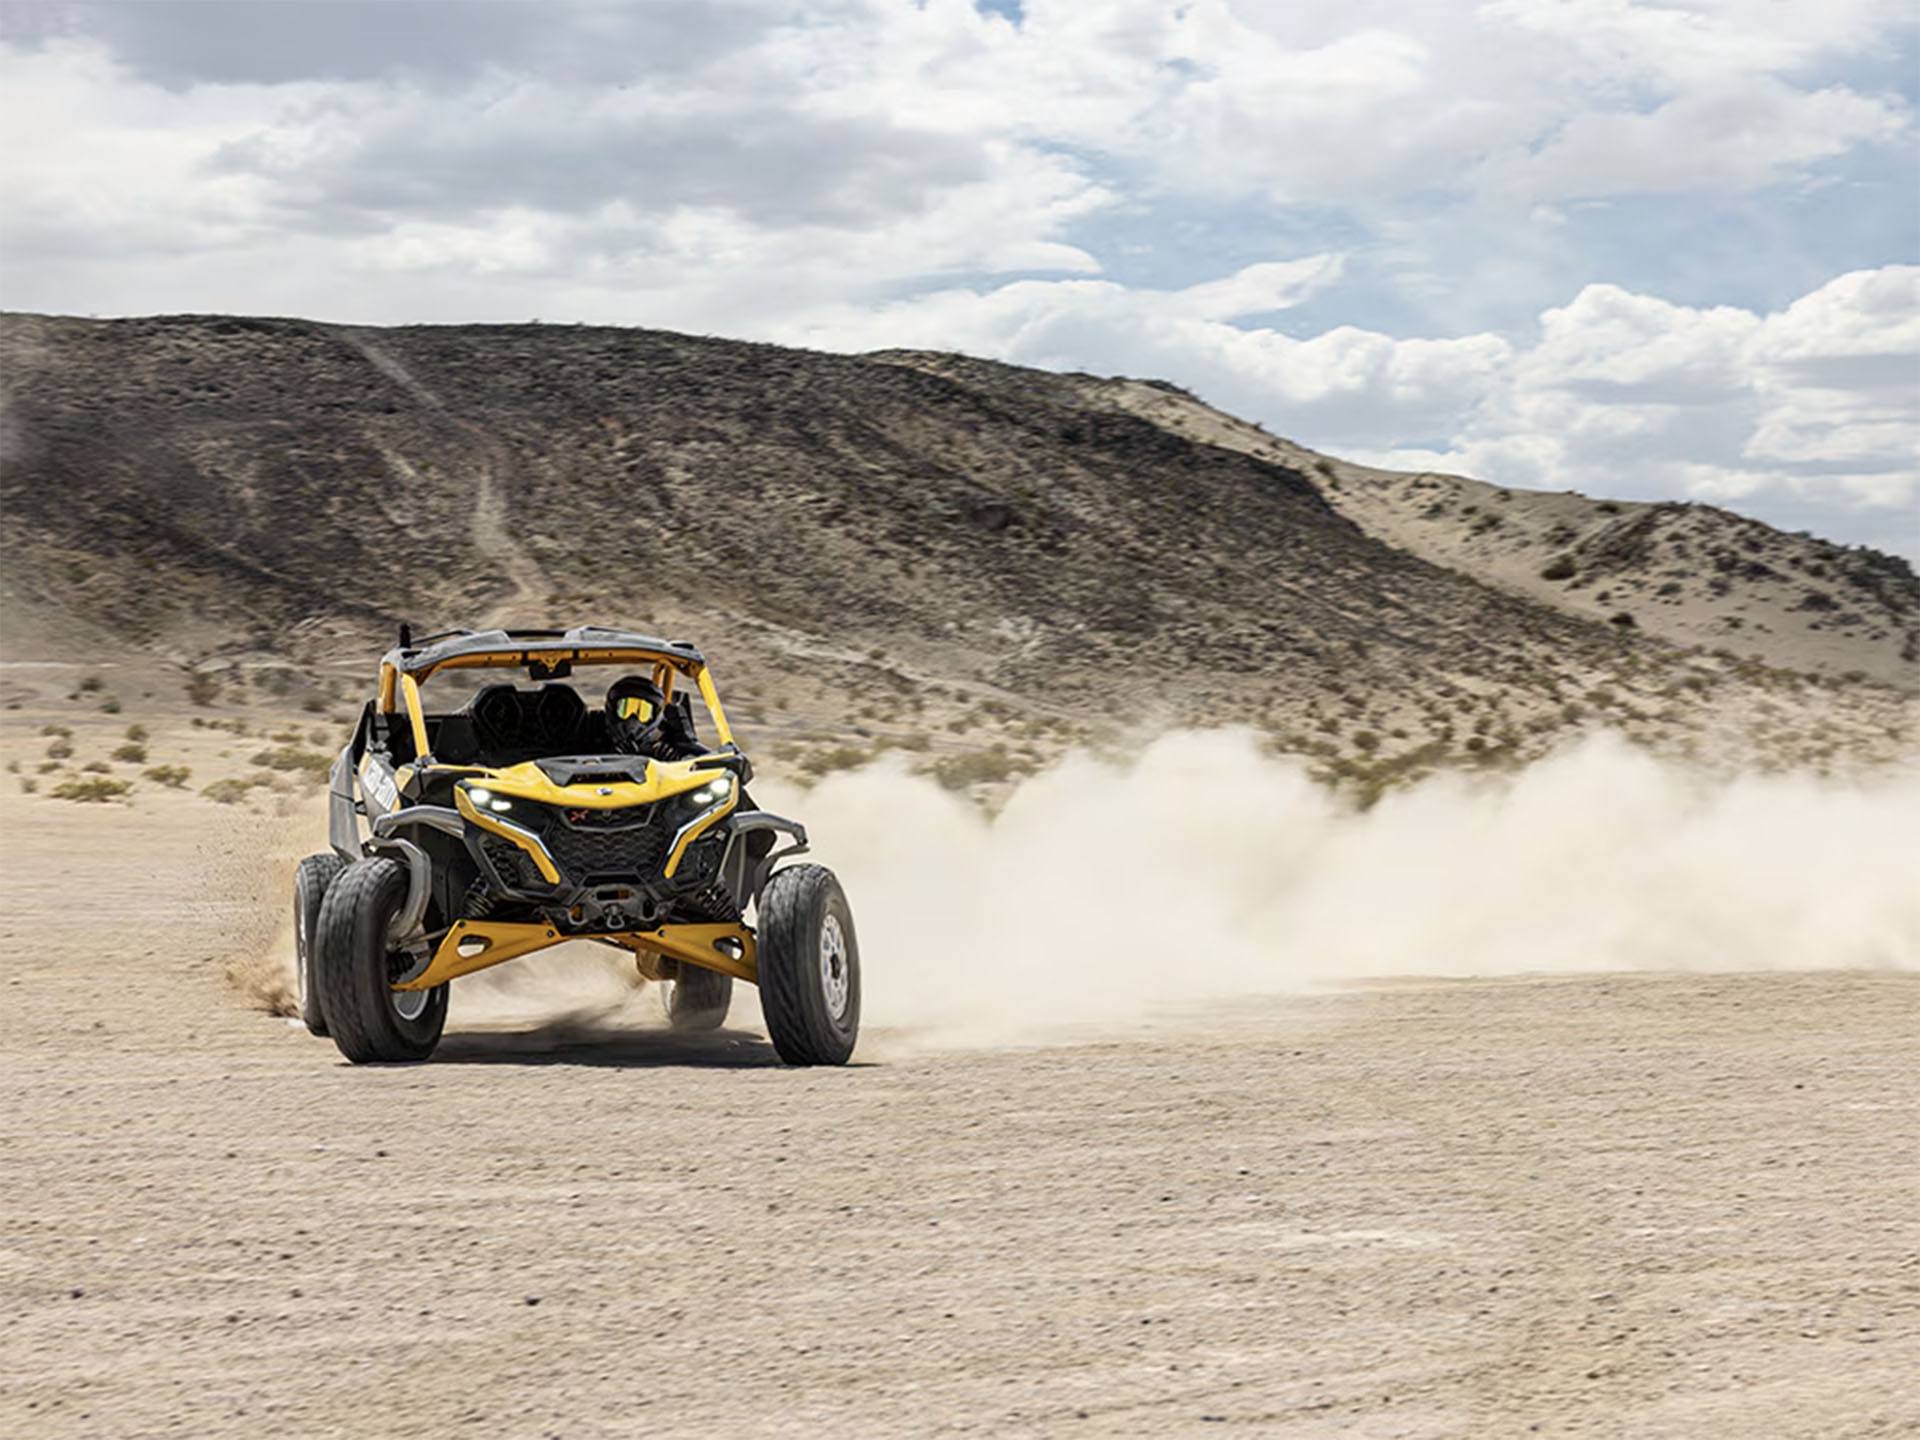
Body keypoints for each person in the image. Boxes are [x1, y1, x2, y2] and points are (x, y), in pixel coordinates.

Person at [604, 674, 708, 761]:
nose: (633, 719)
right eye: (625, 709)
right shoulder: (592, 739)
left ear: (655, 717)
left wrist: (670, 763)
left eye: (643, 712)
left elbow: (701, 762)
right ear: (612, 709)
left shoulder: (666, 749)